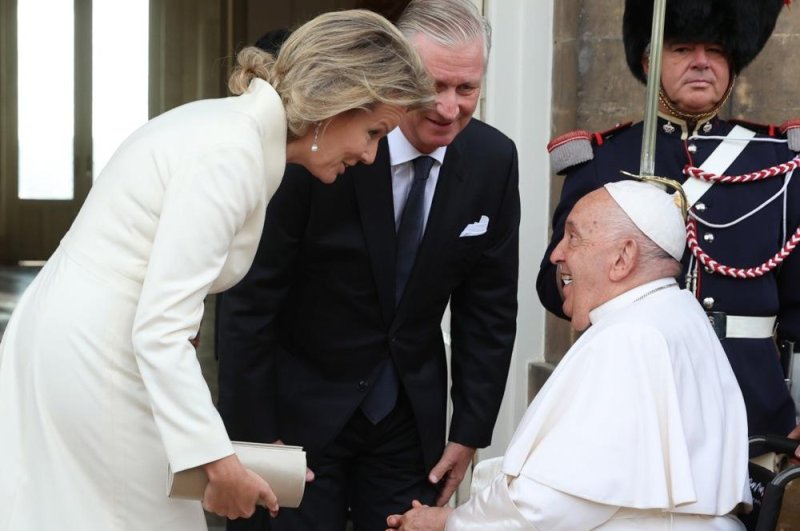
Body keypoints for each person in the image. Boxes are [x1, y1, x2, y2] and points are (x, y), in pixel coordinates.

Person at [0, 9, 433, 531]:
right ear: (335, 103)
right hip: (98, 357)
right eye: (373, 131)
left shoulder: (234, 130)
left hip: (85, 335)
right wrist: (219, 464)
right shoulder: (232, 154)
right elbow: (161, 329)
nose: (370, 155)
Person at [216, 0, 520, 529]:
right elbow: (251, 295)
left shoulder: (494, 160)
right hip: (298, 415)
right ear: (400, 72)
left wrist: (469, 430)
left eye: (466, 88)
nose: (449, 109)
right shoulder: (319, 139)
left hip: (409, 423)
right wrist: (252, 432)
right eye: (434, 86)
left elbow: (489, 308)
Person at [387, 180, 752, 530]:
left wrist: (451, 522)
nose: (556, 254)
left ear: (623, 257)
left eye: (573, 237)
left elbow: (547, 506)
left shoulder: (629, 337)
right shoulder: (676, 312)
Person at [538, 0, 800, 445]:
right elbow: (554, 281)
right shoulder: (602, 160)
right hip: (634, 391)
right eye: (681, 49)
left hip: (749, 400)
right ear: (649, 59)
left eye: (715, 50)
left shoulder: (780, 162)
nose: (701, 62)